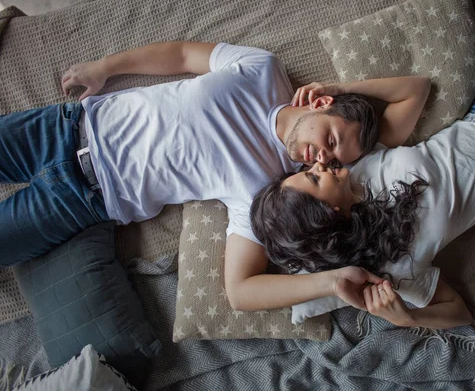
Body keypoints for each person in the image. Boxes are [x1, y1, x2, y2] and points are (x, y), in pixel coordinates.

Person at [251, 0, 475, 329]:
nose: (317, 165)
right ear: (331, 214)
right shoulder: (390, 269)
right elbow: (459, 313)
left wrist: (339, 89)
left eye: (306, 170)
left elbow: (414, 90)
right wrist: (407, 317)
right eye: (313, 179)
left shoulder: (355, 160)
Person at [0, 40, 431, 311]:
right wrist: (105, 66)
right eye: (333, 141)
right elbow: (182, 55)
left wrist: (332, 282)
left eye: (335, 163)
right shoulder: (262, 69)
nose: (324, 158)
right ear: (320, 104)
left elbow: (240, 292)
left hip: (83, 198)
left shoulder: (268, 191)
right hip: (63, 127)